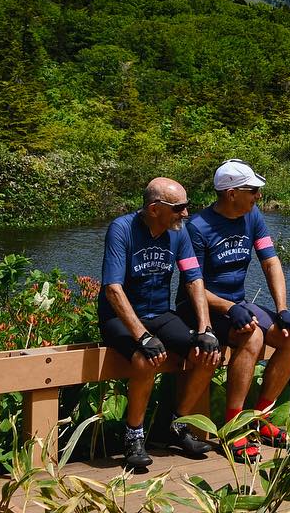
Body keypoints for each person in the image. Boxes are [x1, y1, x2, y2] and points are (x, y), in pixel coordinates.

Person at [184, 159, 290, 460]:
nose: (258, 196)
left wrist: (283, 309)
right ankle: (234, 426)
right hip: (203, 308)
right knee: (252, 337)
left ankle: (261, 417)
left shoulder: (253, 217)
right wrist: (226, 307)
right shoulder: (197, 227)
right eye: (252, 190)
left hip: (239, 306)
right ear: (231, 193)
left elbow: (270, 262)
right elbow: (193, 284)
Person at [99, 177, 221, 472]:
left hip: (159, 312)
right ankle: (134, 436)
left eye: (187, 206)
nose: (186, 214)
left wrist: (205, 327)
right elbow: (113, 289)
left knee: (209, 354)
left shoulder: (178, 232)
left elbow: (193, 279)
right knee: (145, 360)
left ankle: (177, 425)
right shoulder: (122, 229)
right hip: (120, 316)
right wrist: (142, 337)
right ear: (155, 209)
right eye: (179, 207)